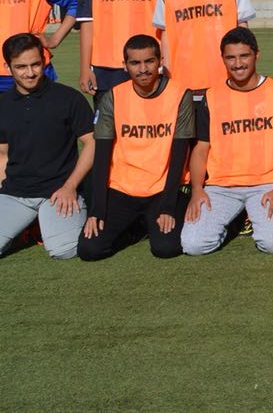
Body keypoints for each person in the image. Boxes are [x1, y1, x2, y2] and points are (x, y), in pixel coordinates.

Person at [181, 28, 273, 255]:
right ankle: (235, 222)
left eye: (244, 56)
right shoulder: (210, 97)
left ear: (257, 55)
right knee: (194, 245)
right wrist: (197, 190)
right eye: (230, 57)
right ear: (222, 59)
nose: (238, 63)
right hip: (221, 187)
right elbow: (201, 150)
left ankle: (256, 214)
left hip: (268, 184)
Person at [78, 34, 193, 260]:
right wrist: (97, 210)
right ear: (125, 66)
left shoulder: (180, 95)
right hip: (122, 189)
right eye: (135, 63)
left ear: (160, 61)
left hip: (162, 189)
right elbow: (101, 156)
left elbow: (180, 155)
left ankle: (148, 223)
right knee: (90, 250)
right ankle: (136, 229)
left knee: (166, 248)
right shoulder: (112, 97)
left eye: (149, 61)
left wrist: (168, 206)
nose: (143, 69)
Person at [0, 33, 94, 259]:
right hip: (16, 194)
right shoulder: (2, 104)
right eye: (21, 67)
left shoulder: (68, 98)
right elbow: (2, 153)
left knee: (64, 250)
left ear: (44, 60)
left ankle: (43, 223)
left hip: (58, 192)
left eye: (35, 64)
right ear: (7, 66)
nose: (30, 73)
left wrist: (71, 186)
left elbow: (92, 144)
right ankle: (27, 227)